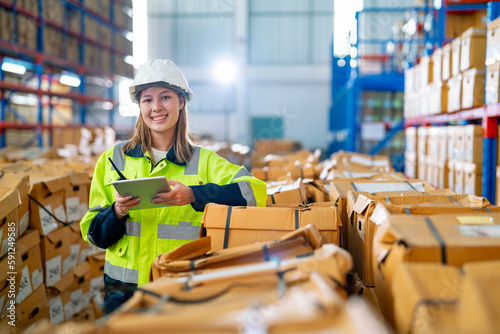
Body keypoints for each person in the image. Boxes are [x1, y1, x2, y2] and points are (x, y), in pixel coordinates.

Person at [80, 58, 267, 313]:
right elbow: (93, 233)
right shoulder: (114, 160)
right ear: (140, 106)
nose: (156, 107)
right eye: (147, 100)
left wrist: (194, 194)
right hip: (123, 293)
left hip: (181, 289)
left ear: (181, 101)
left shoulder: (205, 161)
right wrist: (117, 212)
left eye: (165, 97)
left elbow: (255, 193)